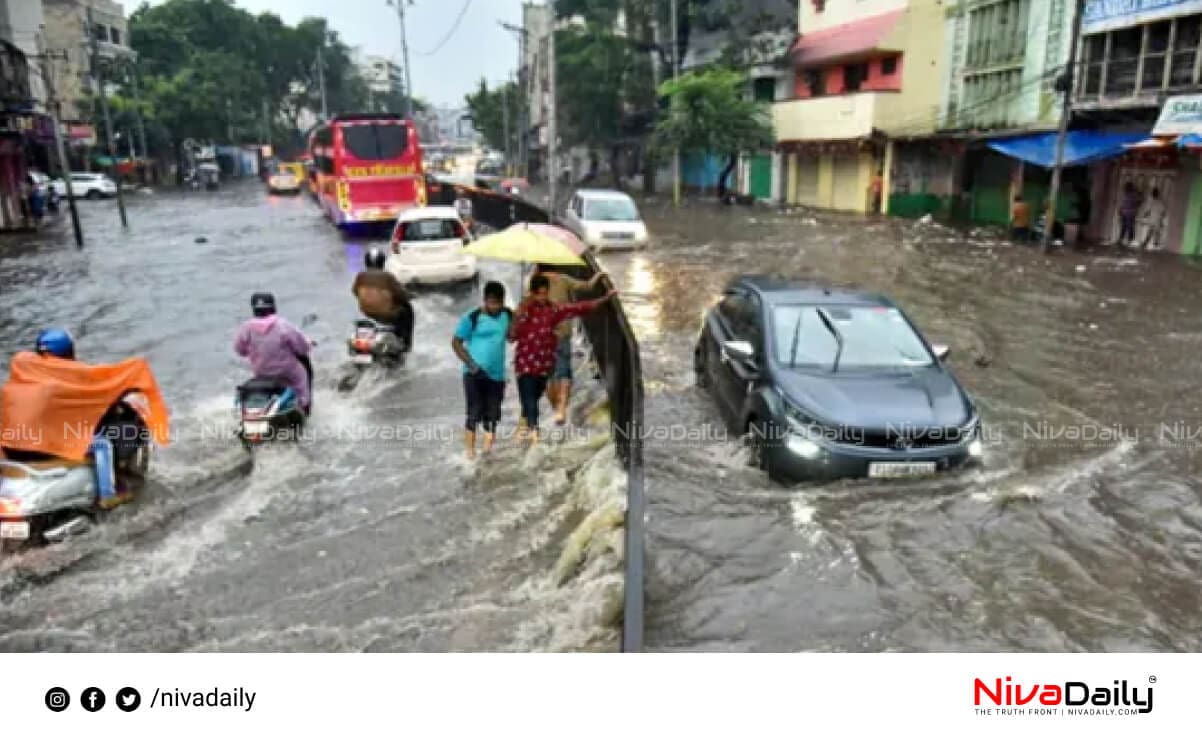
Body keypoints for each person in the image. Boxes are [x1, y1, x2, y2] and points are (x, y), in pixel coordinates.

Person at [509, 274, 618, 445]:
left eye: (545, 293)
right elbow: (510, 336)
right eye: (539, 294)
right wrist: (516, 317)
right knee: (529, 401)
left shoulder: (552, 310)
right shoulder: (522, 311)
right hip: (525, 365)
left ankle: (529, 436)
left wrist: (605, 299)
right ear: (532, 293)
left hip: (543, 366)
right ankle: (532, 443)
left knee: (532, 402)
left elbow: (579, 308)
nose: (543, 298)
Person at [532, 265, 608, 425]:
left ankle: (555, 408)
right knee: (564, 371)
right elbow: (586, 287)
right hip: (563, 333)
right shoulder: (563, 280)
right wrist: (598, 276)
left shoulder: (534, 282)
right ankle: (561, 410)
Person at [452, 281, 513, 459]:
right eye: (491, 302)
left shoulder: (507, 315)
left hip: (497, 375)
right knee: (474, 412)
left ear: (503, 301)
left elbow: (511, 338)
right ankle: (470, 453)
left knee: (492, 415)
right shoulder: (472, 317)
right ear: (485, 300)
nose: (495, 307)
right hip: (473, 373)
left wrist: (516, 322)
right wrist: (472, 365)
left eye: (498, 303)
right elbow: (456, 343)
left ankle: (486, 453)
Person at [234, 292, 314, 415]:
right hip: (287, 370)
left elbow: (239, 349)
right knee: (302, 377)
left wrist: (250, 352)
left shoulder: (247, 327)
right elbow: (301, 347)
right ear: (273, 307)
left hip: (261, 371)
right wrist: (308, 344)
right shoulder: (282, 324)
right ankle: (304, 406)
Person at [352, 247, 414, 351]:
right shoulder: (387, 277)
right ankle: (406, 345)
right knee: (407, 310)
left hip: (367, 312)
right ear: (382, 262)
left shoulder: (360, 276)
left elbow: (355, 291)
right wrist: (410, 295)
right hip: (387, 314)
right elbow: (400, 294)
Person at [1118, 182, 1142, 247]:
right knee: (1126, 226)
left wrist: (1121, 210)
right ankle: (1125, 239)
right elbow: (1138, 202)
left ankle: (1127, 240)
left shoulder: (1132, 194)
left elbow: (1138, 202)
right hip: (1128, 212)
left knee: (1128, 226)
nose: (1126, 188)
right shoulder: (1128, 194)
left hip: (1128, 213)